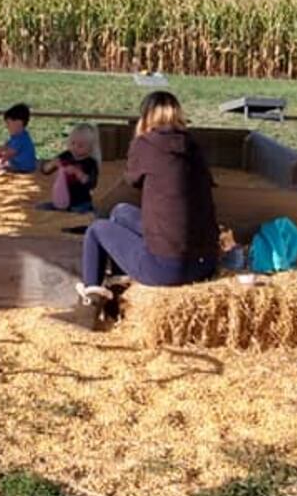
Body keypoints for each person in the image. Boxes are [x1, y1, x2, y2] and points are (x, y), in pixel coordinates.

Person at [78, 91, 218, 325]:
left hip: (167, 268)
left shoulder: (146, 143)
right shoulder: (193, 145)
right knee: (121, 212)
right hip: (205, 264)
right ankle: (121, 281)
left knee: (96, 230)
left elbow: (132, 180)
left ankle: (92, 292)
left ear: (145, 117)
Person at [39, 123, 100, 211]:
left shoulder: (90, 163)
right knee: (41, 207)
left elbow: (91, 184)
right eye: (72, 143)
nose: (75, 147)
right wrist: (52, 164)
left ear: (91, 147)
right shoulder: (66, 155)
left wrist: (78, 173)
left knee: (80, 212)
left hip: (80, 202)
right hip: (61, 199)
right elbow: (45, 171)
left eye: (80, 146)